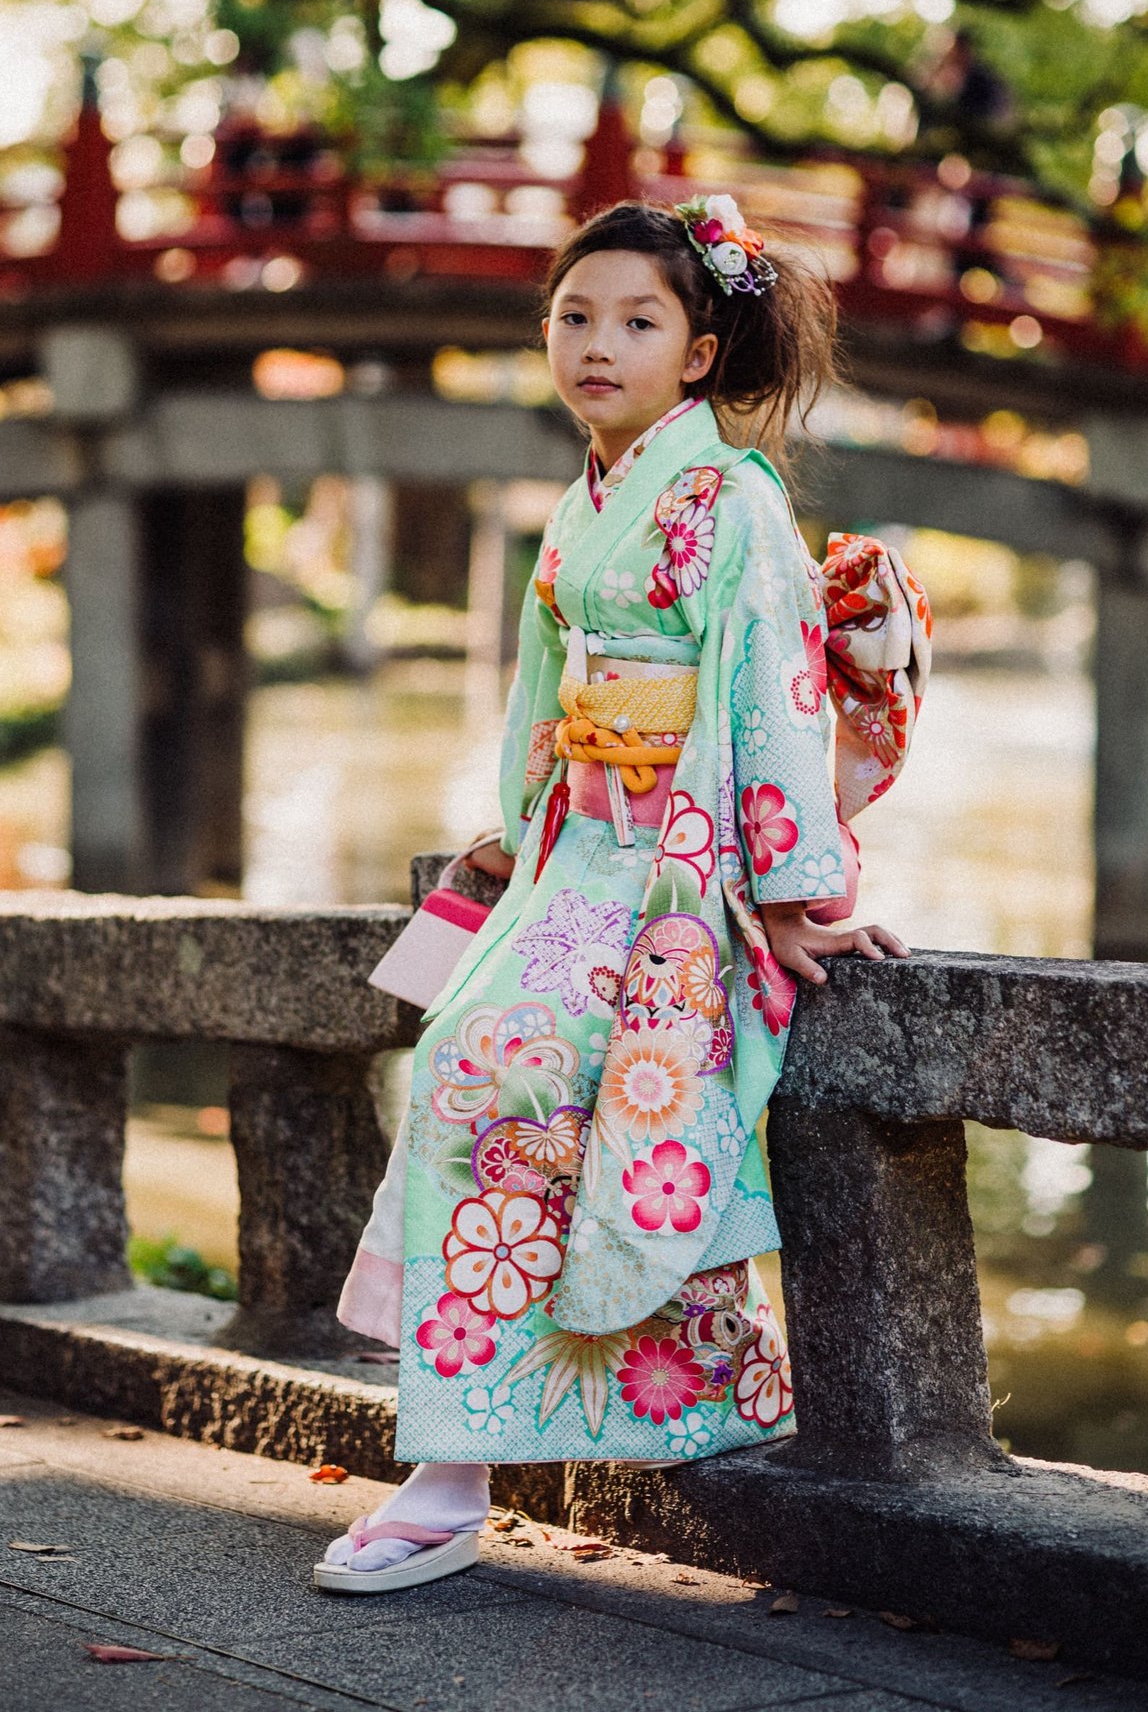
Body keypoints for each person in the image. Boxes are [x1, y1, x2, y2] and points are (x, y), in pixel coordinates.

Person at [316, 195, 929, 1594]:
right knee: (463, 1059)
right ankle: (480, 1440)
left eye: (639, 321)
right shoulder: (588, 504)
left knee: (491, 1068)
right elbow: (549, 691)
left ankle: (451, 1474)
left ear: (700, 354)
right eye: (575, 317)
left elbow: (771, 695)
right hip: (578, 855)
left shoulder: (734, 499)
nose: (598, 344)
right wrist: (516, 822)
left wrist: (791, 891)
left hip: (674, 871)